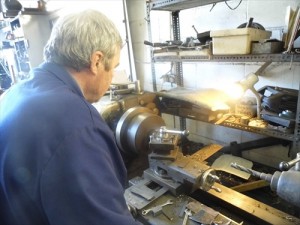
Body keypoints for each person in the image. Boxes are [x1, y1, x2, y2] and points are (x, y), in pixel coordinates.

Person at [0, 9, 142, 225]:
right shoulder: (77, 125)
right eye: (113, 68)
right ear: (96, 61)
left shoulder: (15, 92)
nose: (112, 78)